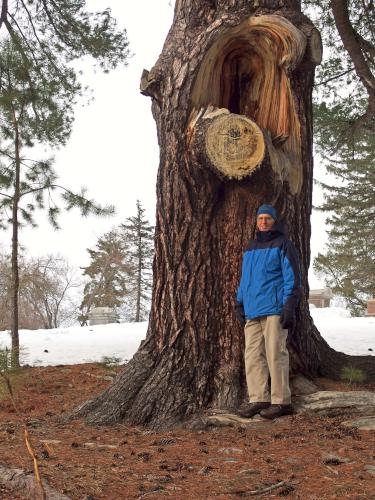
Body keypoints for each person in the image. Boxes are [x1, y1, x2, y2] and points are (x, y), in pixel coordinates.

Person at [235, 204, 301, 419]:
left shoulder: (283, 244)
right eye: (260, 218)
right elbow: (246, 279)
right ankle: (258, 398)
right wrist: (239, 302)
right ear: (256, 221)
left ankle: (281, 401)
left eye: (268, 218)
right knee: (253, 356)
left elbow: (292, 278)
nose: (263, 222)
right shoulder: (251, 247)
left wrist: (289, 306)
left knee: (275, 354)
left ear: (274, 221)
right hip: (252, 311)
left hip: (274, 309)